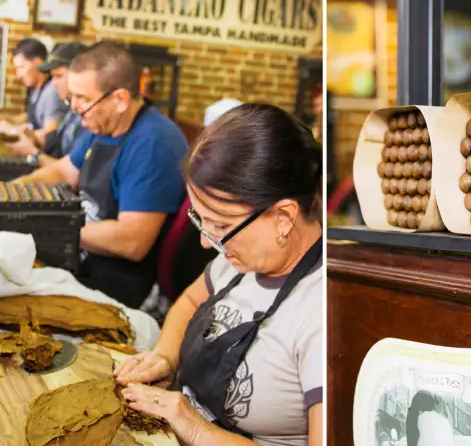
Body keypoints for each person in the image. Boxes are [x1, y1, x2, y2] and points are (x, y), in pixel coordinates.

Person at [115, 104, 323, 446]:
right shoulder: (243, 256)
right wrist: (165, 357)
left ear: (284, 217)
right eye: (201, 220)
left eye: (221, 225)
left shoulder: (318, 315)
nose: (205, 240)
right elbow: (190, 301)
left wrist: (196, 429)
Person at [15, 41, 189, 308]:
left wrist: (47, 226)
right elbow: (64, 170)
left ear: (119, 99)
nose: (73, 107)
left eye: (82, 98)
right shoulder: (101, 126)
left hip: (118, 286)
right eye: (71, 96)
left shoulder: (153, 143)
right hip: (83, 257)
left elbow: (132, 241)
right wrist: (13, 191)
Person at [5, 42, 87, 166]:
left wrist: (33, 153)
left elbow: (72, 172)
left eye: (59, 76)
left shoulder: (87, 117)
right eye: (52, 76)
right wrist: (31, 137)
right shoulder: (72, 110)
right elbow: (54, 139)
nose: (53, 83)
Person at [0, 39, 68, 140]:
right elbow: (31, 116)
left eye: (21, 67)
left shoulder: (52, 92)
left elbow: (50, 133)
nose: (18, 75)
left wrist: (13, 133)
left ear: (38, 63)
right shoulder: (35, 88)